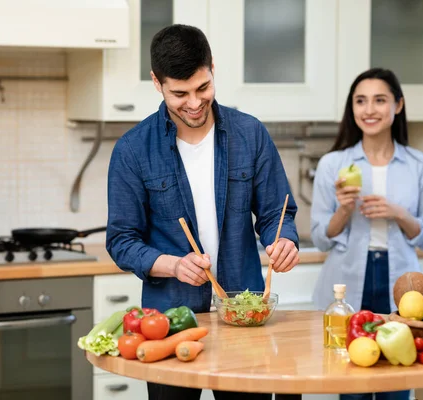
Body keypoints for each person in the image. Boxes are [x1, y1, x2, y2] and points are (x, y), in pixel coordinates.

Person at [106, 24, 301, 400]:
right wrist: (173, 264)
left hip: (244, 312)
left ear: (212, 69)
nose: (194, 103)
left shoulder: (250, 134)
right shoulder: (132, 150)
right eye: (179, 93)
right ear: (157, 83)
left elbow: (279, 212)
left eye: (203, 88)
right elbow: (121, 242)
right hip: (171, 321)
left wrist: (286, 241)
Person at [310, 68, 423, 400]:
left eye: (379, 100)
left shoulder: (419, 164)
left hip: (402, 285)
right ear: (351, 108)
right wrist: (343, 209)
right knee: (350, 383)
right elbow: (321, 238)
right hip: (346, 280)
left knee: (396, 381)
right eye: (360, 101)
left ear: (398, 105)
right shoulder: (333, 164)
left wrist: (398, 213)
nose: (369, 110)